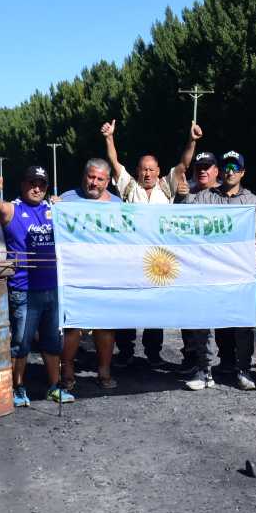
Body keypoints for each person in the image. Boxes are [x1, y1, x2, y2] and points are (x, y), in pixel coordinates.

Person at [101, 119, 201, 368]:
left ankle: (153, 352)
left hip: (159, 259)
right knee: (128, 306)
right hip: (131, 258)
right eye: (143, 169)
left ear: (158, 172)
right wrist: (109, 137)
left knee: (155, 307)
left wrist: (192, 141)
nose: (147, 173)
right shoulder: (128, 187)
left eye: (151, 169)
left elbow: (184, 164)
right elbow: (113, 162)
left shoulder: (167, 188)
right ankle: (125, 352)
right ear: (138, 171)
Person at [177, 151, 256, 391]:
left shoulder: (254, 203)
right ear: (221, 170)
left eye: (235, 167)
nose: (230, 171)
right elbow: (178, 222)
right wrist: (180, 197)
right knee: (202, 322)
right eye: (226, 167)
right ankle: (204, 370)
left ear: (242, 172)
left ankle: (242, 369)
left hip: (239, 277)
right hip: (206, 274)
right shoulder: (201, 199)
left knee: (243, 325)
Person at [0, 165, 74, 406]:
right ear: (23, 184)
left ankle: (54, 387)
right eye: (31, 183)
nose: (37, 188)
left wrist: (62, 206)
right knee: (20, 343)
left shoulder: (53, 210)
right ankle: (18, 388)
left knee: (52, 343)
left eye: (42, 184)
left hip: (52, 288)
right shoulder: (12, 210)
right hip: (24, 290)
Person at [54, 158, 120, 390]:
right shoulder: (66, 199)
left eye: (100, 179)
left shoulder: (118, 203)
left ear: (108, 181)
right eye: (90, 177)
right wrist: (53, 207)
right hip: (75, 277)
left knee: (106, 327)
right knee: (73, 327)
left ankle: (104, 373)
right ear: (84, 176)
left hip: (107, 276)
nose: (94, 182)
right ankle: (67, 373)